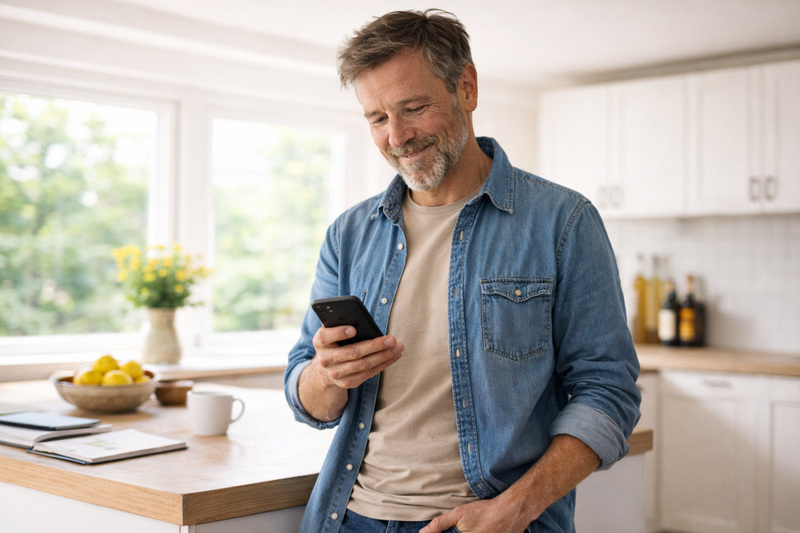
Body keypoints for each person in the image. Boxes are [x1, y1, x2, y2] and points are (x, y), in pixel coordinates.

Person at [284, 9, 641, 533]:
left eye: (415, 108)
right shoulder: (350, 233)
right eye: (378, 119)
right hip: (350, 518)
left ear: (466, 87)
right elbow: (306, 396)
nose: (398, 136)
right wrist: (326, 374)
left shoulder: (563, 222)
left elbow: (607, 391)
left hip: (489, 523)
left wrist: (514, 509)